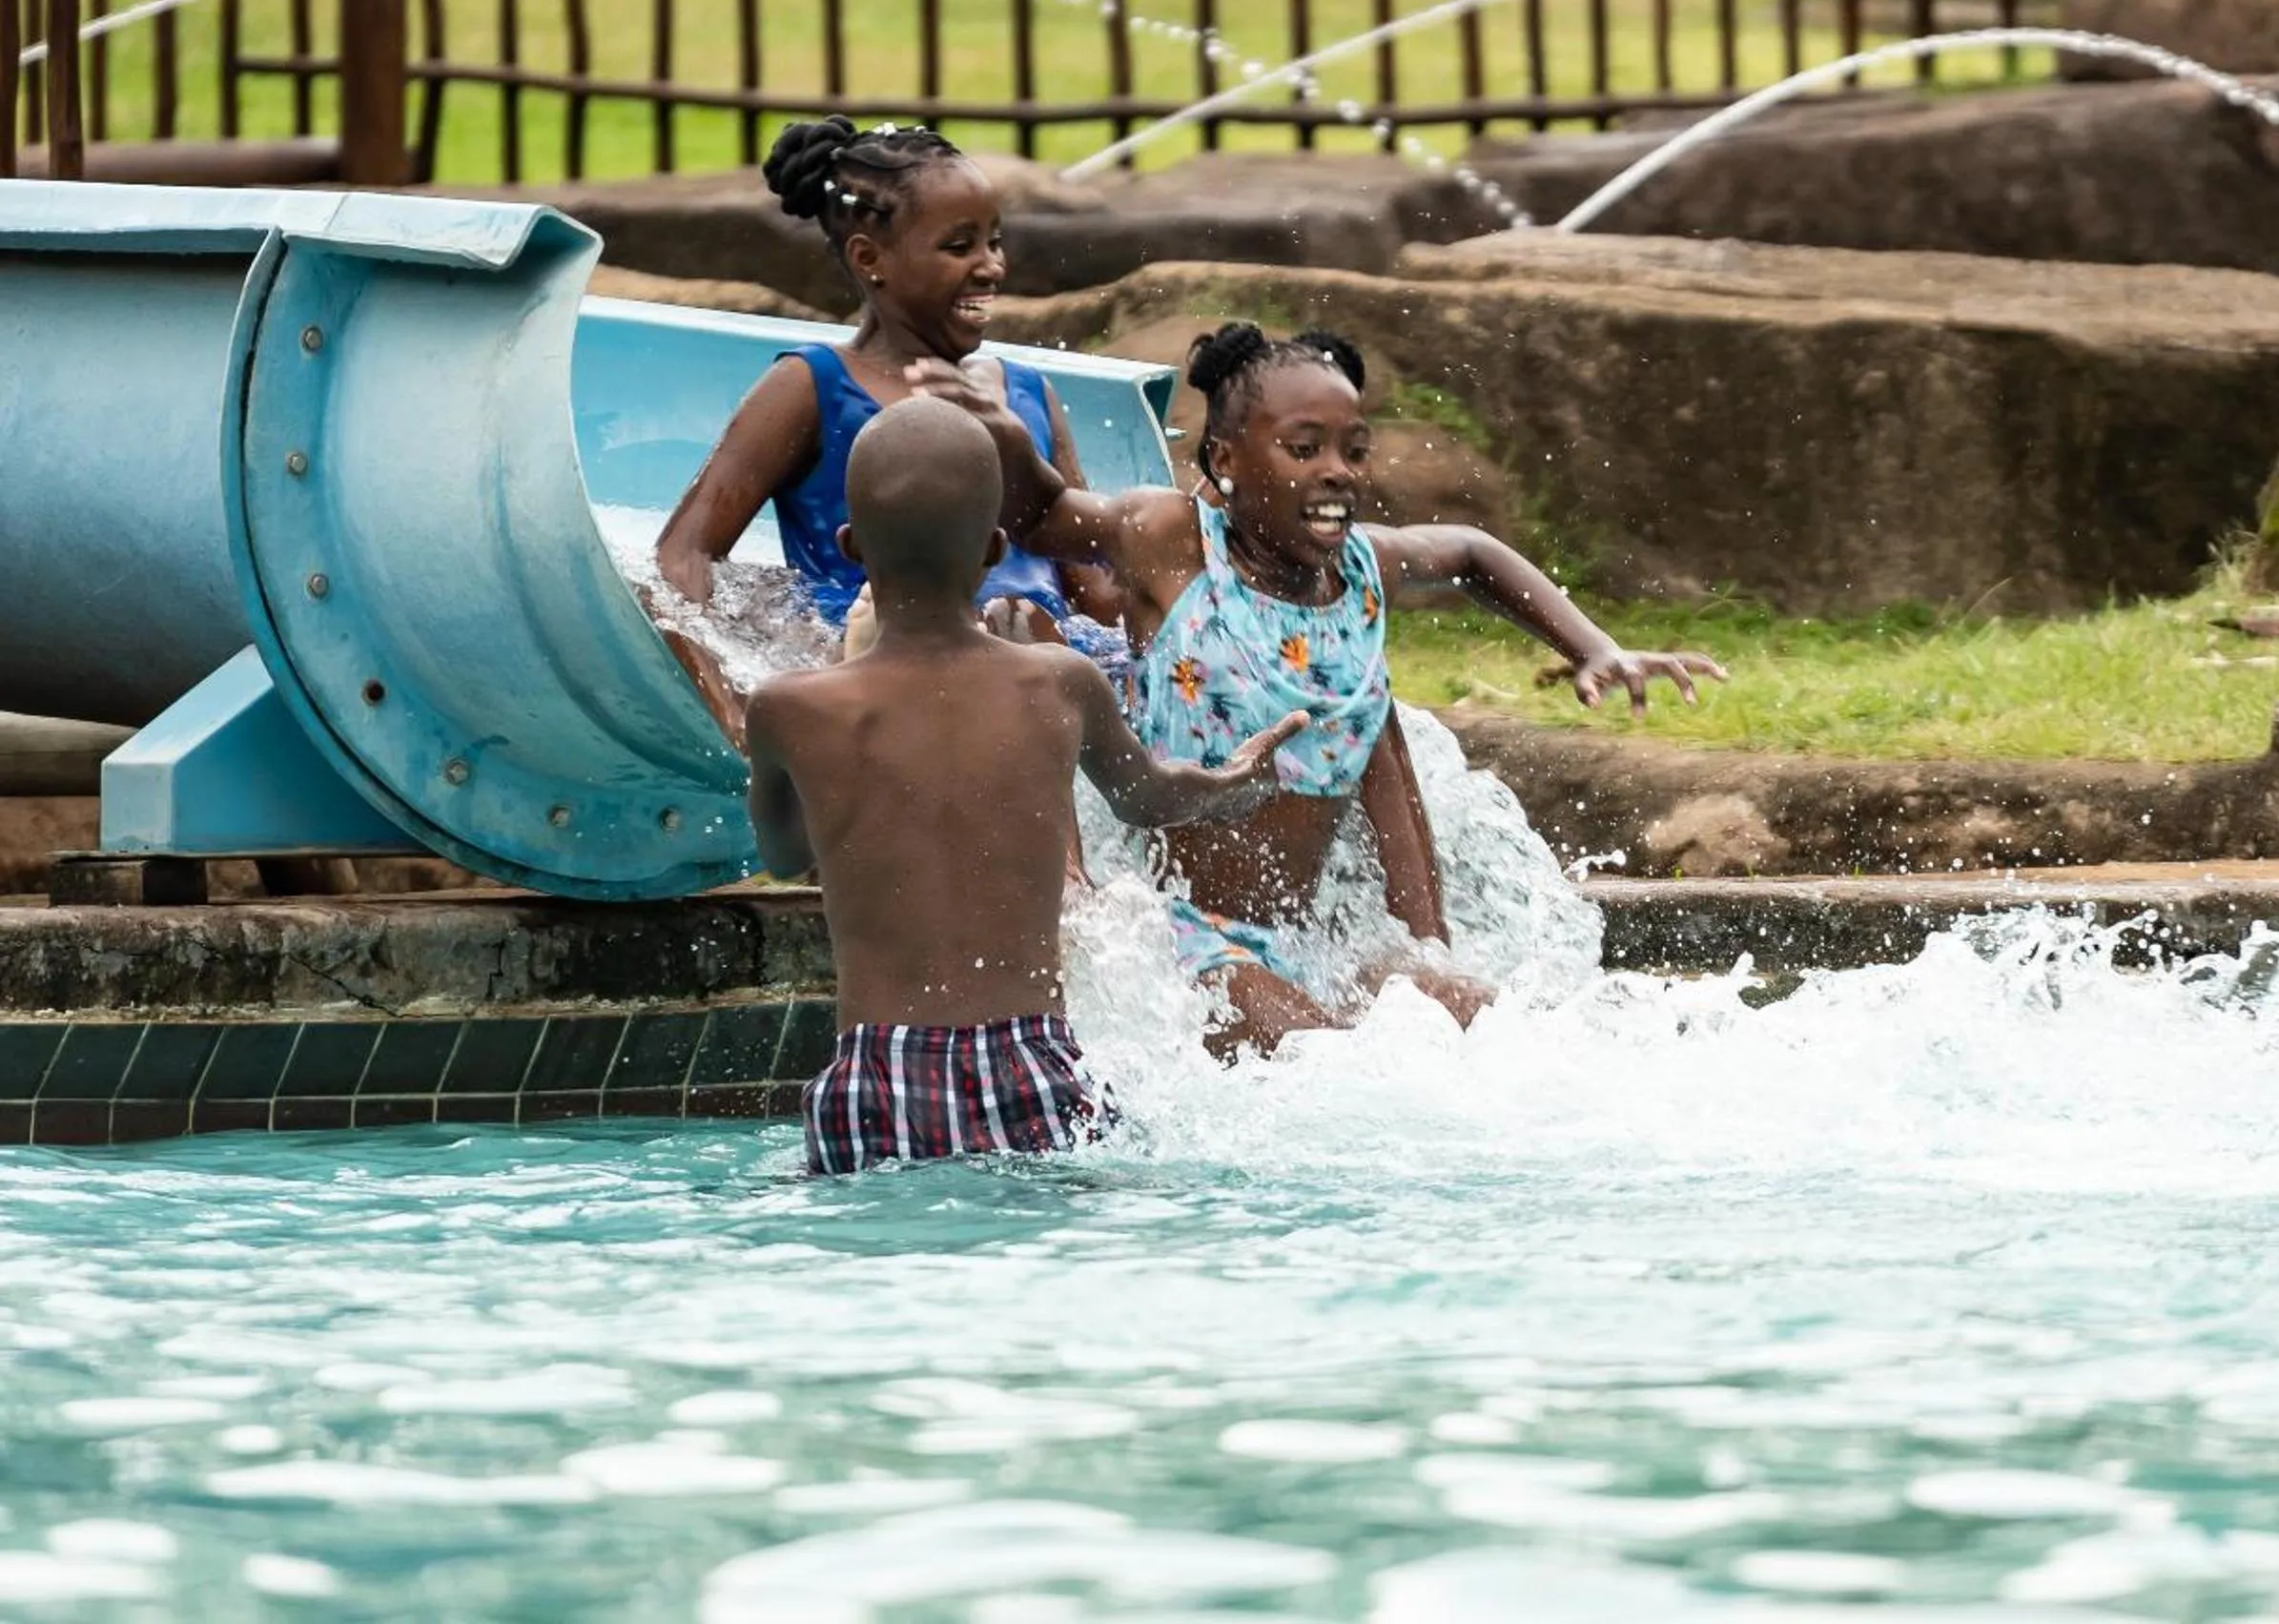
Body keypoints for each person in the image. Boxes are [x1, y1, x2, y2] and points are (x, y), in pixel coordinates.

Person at [921, 320, 1725, 1059]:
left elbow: (1474, 553)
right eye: (1304, 450)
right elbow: (1045, 515)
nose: (1337, 472)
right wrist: (999, 425)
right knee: (1342, 1071)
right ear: (1228, 462)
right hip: (1192, 946)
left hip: (1311, 948)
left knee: (1515, 1040)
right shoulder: (1171, 544)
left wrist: (1593, 647)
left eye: (1354, 449)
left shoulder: (1366, 570)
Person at [746, 399, 1304, 1174]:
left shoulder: (791, 708)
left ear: (849, 547)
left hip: (875, 1078)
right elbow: (1149, 799)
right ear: (997, 546)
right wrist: (1234, 781)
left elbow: (781, 853)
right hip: (1030, 1062)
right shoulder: (1059, 684)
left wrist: (847, 671)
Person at [653, 116, 1120, 666]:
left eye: (994, 242)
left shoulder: (1027, 395)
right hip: (879, 668)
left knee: (1020, 623)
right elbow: (683, 559)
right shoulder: (812, 389)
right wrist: (740, 719)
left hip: (1041, 664)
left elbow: (1099, 599)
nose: (992, 266)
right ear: (869, 259)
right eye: (959, 246)